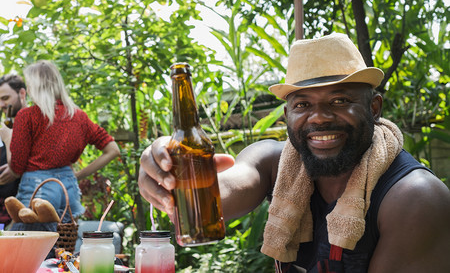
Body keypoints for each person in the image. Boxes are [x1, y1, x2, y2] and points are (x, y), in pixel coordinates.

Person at [138, 33, 450, 272]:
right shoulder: (274, 162)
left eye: (339, 100)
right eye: (302, 105)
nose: (319, 117)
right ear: (287, 115)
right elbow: (227, 190)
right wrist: (174, 174)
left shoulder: (415, 198)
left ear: (374, 108)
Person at [8, 60, 120, 226]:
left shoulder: (27, 116)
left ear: (34, 86)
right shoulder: (79, 117)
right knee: (65, 245)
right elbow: (113, 150)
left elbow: (16, 167)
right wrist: (76, 176)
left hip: (38, 187)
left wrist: (5, 136)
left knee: (28, 244)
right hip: (69, 187)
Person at [0, 74, 27, 227]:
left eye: (5, 98)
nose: (2, 105)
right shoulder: (6, 127)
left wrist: (15, 169)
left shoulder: (36, 123)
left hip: (24, 208)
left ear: (21, 94)